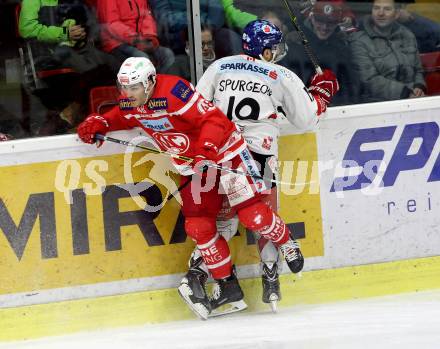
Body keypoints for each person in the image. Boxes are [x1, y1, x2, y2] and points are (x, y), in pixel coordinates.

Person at [75, 54, 335, 319]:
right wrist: (102, 122)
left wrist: (207, 149)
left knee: (251, 214)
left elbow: (212, 120)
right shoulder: (132, 101)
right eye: (124, 87)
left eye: (134, 87)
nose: (128, 93)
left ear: (151, 81)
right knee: (198, 226)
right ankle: (227, 287)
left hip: (225, 153)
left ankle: (285, 240)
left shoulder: (174, 92)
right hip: (195, 166)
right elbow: (123, 115)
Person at [180, 19, 339, 314]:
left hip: (219, 152)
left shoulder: (220, 66)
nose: (276, 52)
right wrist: (322, 93)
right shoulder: (281, 75)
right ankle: (270, 276)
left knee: (222, 221)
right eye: (274, 47)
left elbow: (197, 108)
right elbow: (307, 120)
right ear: (266, 51)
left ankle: (208, 277)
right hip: (258, 156)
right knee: (262, 216)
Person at [18, 0, 118, 134]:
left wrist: (80, 32)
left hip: (73, 48)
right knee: (95, 69)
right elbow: (27, 29)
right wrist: (64, 33)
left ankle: (74, 112)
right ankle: (72, 113)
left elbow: (81, 23)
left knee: (112, 64)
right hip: (49, 53)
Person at [281, 1, 359, 106]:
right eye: (320, 21)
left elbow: (349, 89)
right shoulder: (295, 43)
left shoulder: (343, 50)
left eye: (330, 23)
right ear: (312, 18)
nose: (324, 27)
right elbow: (285, 85)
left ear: (337, 23)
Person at [349, 0, 426, 102]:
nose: (380, 13)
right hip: (379, 104)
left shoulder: (407, 35)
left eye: (387, 9)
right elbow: (368, 80)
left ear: (397, 14)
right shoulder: (359, 41)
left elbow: (418, 70)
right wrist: (405, 92)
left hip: (413, 99)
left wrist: (419, 86)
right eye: (376, 8)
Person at [95, 0, 175, 73]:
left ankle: (161, 85)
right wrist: (135, 39)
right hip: (116, 42)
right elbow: (111, 24)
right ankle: (146, 87)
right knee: (142, 59)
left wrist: (149, 37)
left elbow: (146, 16)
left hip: (140, 39)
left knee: (167, 54)